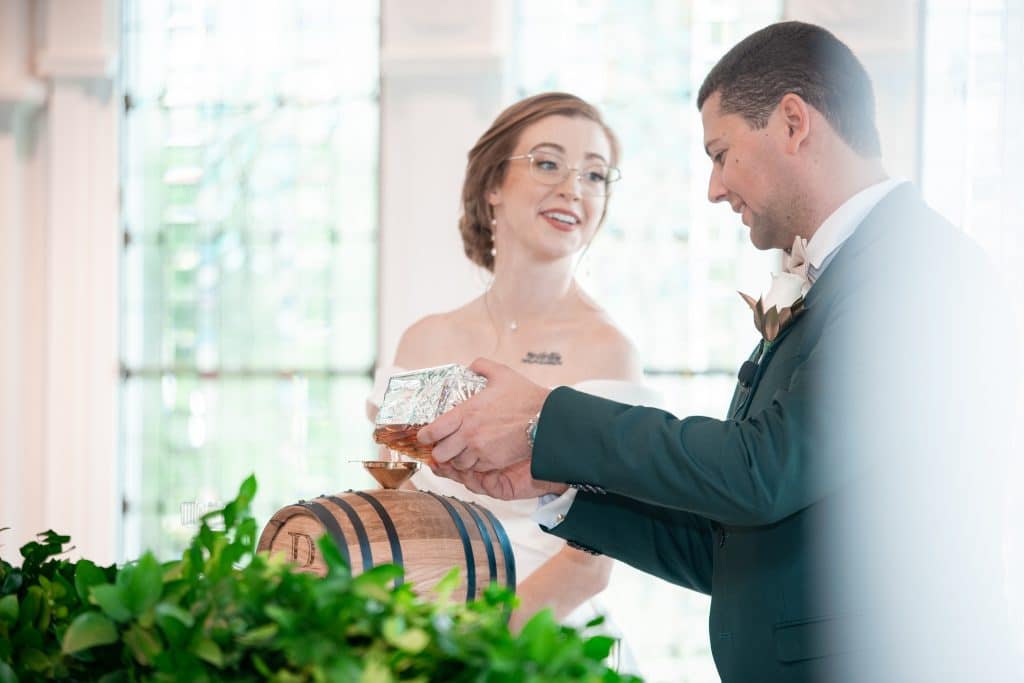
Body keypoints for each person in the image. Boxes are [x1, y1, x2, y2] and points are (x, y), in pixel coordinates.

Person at [418, 22, 1020, 683]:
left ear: (793, 122)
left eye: (720, 151)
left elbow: (762, 469)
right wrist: (559, 484)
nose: (713, 187)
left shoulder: (914, 266)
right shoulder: (842, 278)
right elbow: (733, 538)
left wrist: (546, 418)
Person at [367, 92, 660, 645]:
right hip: (419, 637)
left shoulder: (608, 352)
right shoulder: (424, 340)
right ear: (492, 186)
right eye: (548, 163)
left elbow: (590, 562)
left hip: (542, 648)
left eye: (595, 175)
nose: (574, 187)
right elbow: (389, 510)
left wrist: (476, 649)